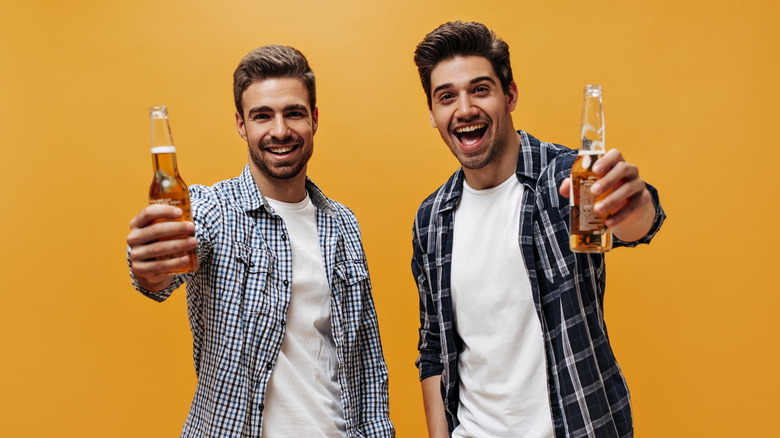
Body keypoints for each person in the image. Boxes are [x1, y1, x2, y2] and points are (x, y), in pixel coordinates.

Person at [410, 21, 665, 438]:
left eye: (480, 89)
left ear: (509, 96)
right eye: (446, 97)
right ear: (433, 115)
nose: (464, 109)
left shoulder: (566, 179)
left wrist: (635, 206)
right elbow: (433, 347)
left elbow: (636, 224)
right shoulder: (432, 218)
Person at [126, 45, 394, 438]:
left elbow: (367, 363)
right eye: (262, 116)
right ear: (241, 124)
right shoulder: (213, 210)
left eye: (294, 113)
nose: (280, 130)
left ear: (314, 119)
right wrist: (150, 267)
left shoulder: (343, 224)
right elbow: (164, 268)